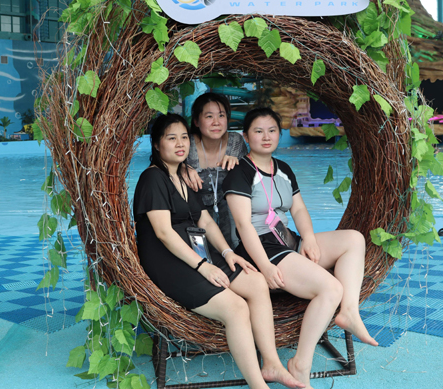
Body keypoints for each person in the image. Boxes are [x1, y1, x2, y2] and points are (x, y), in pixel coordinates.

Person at [134, 113, 303, 389]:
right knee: (236, 308)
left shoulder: (182, 177)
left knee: (257, 282)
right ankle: (258, 385)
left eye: (184, 137)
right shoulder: (152, 179)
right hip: (170, 263)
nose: (180, 143)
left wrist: (226, 253)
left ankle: (271, 363)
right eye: (171, 138)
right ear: (156, 144)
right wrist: (204, 267)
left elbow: (206, 221)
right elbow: (164, 233)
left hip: (199, 255)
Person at [224, 108, 378, 389]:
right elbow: (244, 226)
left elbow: (298, 209)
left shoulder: (283, 168)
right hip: (263, 248)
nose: (266, 136)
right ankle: (300, 363)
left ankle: (349, 312)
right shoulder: (240, 172)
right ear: (246, 136)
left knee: (354, 239)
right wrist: (265, 266)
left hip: (288, 241)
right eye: (258, 131)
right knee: (330, 288)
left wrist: (308, 238)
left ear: (280, 134)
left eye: (272, 130)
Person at [187, 92, 248, 248]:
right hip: (196, 216)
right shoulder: (187, 144)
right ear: (196, 121)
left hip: (230, 215)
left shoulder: (235, 142)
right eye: (209, 116)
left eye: (221, 116)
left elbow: (250, 182)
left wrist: (239, 167)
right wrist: (182, 168)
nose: (216, 122)